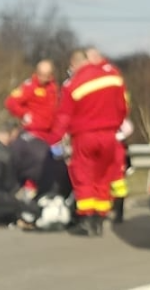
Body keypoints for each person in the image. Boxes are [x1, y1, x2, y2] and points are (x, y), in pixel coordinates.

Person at [54, 48, 129, 236]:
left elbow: (64, 115)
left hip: (84, 136)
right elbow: (122, 107)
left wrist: (55, 138)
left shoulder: (73, 84)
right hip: (110, 135)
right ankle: (99, 219)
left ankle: (87, 219)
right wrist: (115, 125)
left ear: (75, 64)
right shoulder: (113, 76)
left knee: (84, 176)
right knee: (103, 177)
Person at [4, 61, 64, 146]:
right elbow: (11, 102)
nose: (43, 78)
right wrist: (24, 114)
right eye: (41, 74)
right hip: (33, 131)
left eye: (46, 75)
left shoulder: (53, 87)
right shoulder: (29, 86)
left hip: (50, 132)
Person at [109, 116, 136, 223]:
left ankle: (118, 213)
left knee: (118, 189)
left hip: (117, 167)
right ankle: (116, 211)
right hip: (113, 166)